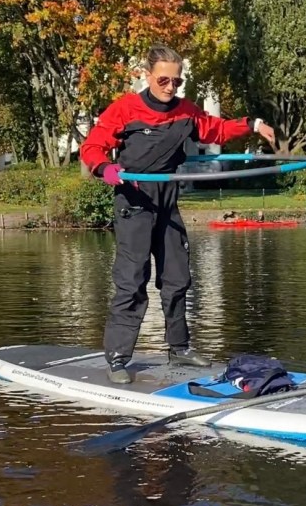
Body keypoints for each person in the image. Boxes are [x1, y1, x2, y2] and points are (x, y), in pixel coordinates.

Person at [80, 45, 276, 384]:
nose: (170, 87)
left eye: (176, 81)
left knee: (177, 277)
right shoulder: (125, 109)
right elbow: (92, 147)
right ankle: (117, 357)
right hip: (134, 200)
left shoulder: (186, 111)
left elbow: (215, 130)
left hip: (167, 200)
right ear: (147, 75)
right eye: (163, 80)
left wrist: (253, 124)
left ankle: (179, 347)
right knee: (131, 280)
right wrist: (107, 169)